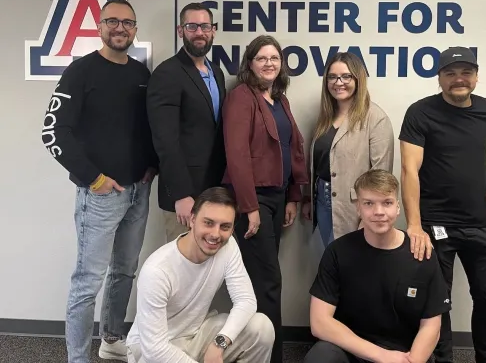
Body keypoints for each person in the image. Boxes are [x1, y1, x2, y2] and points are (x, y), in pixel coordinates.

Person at [40, 0, 158, 363]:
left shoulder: (142, 76)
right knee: (88, 281)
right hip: (101, 195)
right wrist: (95, 179)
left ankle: (111, 338)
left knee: (125, 270)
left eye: (127, 23)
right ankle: (77, 357)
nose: (120, 28)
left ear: (135, 30)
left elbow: (148, 128)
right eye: (112, 21)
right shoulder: (81, 71)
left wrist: (151, 166)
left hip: (139, 191)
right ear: (99, 27)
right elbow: (53, 132)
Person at [399, 46, 486, 363]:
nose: (458, 79)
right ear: (439, 78)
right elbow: (409, 170)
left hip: (480, 224)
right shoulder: (420, 113)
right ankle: (443, 360)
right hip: (436, 225)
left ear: (476, 76)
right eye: (450, 73)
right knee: (437, 300)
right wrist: (415, 225)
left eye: (465, 72)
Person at [221, 35, 309, 363]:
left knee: (262, 280)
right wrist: (249, 207)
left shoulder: (279, 98)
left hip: (276, 197)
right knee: (268, 281)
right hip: (253, 200)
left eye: (274, 58)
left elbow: (291, 148)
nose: (269, 63)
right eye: (262, 58)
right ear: (250, 63)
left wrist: (292, 197)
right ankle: (272, 357)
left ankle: (257, 349)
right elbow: (238, 155)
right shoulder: (241, 98)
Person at [304, 169, 451, 363]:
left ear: (398, 207)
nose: (379, 212)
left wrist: (411, 361)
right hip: (353, 350)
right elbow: (319, 322)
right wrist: (381, 355)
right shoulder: (337, 252)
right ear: (358, 208)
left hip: (404, 355)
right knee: (320, 357)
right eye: (369, 203)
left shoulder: (421, 253)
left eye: (387, 203)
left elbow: (432, 325)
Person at [125, 187, 275, 363]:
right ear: (192, 220)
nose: (215, 234)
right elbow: (155, 350)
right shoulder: (157, 270)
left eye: (225, 226)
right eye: (208, 223)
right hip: (151, 352)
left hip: (195, 336)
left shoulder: (228, 246)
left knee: (261, 327)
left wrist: (220, 343)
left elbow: (246, 301)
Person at [146, 2, 226, 242]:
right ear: (181, 31)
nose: (199, 32)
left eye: (205, 26)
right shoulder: (167, 73)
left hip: (213, 191)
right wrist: (181, 194)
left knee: (211, 268)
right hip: (184, 196)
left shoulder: (217, 72)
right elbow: (165, 140)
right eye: (192, 26)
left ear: (213, 30)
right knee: (184, 267)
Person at [301, 52, 394, 246]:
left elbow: (381, 175)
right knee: (332, 257)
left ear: (358, 79)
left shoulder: (376, 118)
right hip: (322, 200)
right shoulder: (326, 117)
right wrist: (309, 198)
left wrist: (369, 215)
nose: (338, 82)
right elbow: (318, 162)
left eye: (346, 76)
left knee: (353, 262)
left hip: (354, 207)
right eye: (332, 77)